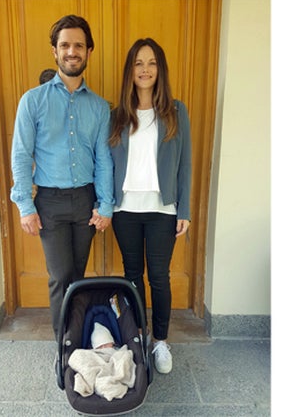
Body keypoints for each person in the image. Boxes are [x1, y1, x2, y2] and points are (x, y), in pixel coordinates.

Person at [10, 15, 114, 341]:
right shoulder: (33, 100)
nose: (72, 51)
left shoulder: (99, 108)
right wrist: (25, 204)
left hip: (85, 201)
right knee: (59, 276)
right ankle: (64, 345)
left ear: (88, 52)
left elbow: (103, 160)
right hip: (50, 204)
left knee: (78, 276)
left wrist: (106, 204)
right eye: (65, 45)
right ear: (55, 51)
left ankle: (78, 335)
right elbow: (21, 154)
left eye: (78, 45)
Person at [109, 38, 192, 374]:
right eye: (138, 63)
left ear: (160, 70)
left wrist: (184, 209)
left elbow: (185, 163)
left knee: (159, 278)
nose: (145, 70)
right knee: (132, 277)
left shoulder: (176, 110)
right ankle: (137, 337)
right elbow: (106, 163)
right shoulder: (116, 116)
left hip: (162, 209)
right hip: (125, 210)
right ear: (130, 70)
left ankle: (160, 341)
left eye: (152, 63)